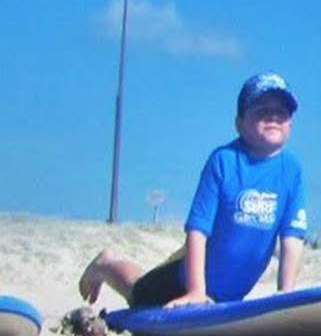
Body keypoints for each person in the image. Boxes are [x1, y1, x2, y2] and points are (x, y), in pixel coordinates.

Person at [79, 73, 308, 308]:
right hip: (186, 279)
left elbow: (292, 236)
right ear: (239, 123)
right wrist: (196, 290)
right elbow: (198, 230)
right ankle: (106, 265)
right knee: (139, 292)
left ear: (290, 123)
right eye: (261, 109)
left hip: (230, 293)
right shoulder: (224, 161)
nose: (273, 116)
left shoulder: (292, 170)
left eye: (282, 112)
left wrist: (286, 293)